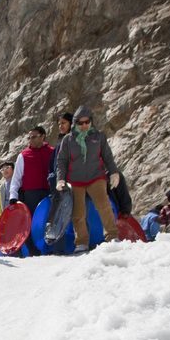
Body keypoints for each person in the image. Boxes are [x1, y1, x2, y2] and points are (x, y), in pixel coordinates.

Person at [54, 105, 119, 252]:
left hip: (96, 176)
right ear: (75, 123)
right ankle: (81, 242)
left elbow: (107, 156)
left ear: (91, 121)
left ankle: (112, 236)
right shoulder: (68, 140)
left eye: (87, 122)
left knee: (104, 206)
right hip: (75, 180)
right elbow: (62, 161)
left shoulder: (99, 136)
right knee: (78, 213)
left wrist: (114, 172)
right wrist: (60, 179)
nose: (84, 125)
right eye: (80, 123)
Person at [9, 126, 55, 215]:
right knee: (31, 221)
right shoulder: (23, 155)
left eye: (33, 137)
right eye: (29, 138)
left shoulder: (52, 152)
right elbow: (16, 178)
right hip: (31, 196)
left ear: (42, 137)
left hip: (50, 193)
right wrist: (13, 196)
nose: (30, 140)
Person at [47, 112, 73, 190]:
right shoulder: (60, 141)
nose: (60, 126)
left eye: (63, 123)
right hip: (59, 181)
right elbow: (54, 161)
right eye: (59, 124)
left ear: (71, 123)